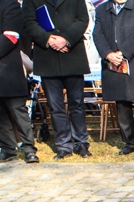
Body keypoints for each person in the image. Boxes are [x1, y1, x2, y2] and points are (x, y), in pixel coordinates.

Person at [23, 0, 92, 160]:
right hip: (47, 57)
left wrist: (66, 39)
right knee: (55, 106)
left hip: (72, 53)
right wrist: (48, 39)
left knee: (77, 103)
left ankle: (81, 142)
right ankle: (63, 145)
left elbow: (82, 19)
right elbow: (29, 22)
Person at [94, 0, 134, 155]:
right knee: (121, 103)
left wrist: (122, 53)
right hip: (113, 63)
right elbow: (98, 34)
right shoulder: (102, 9)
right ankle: (129, 142)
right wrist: (108, 54)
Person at [0, 0, 38, 163]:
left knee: (17, 110)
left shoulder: (9, 4)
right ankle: (8, 148)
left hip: (8, 68)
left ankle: (29, 148)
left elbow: (11, 36)